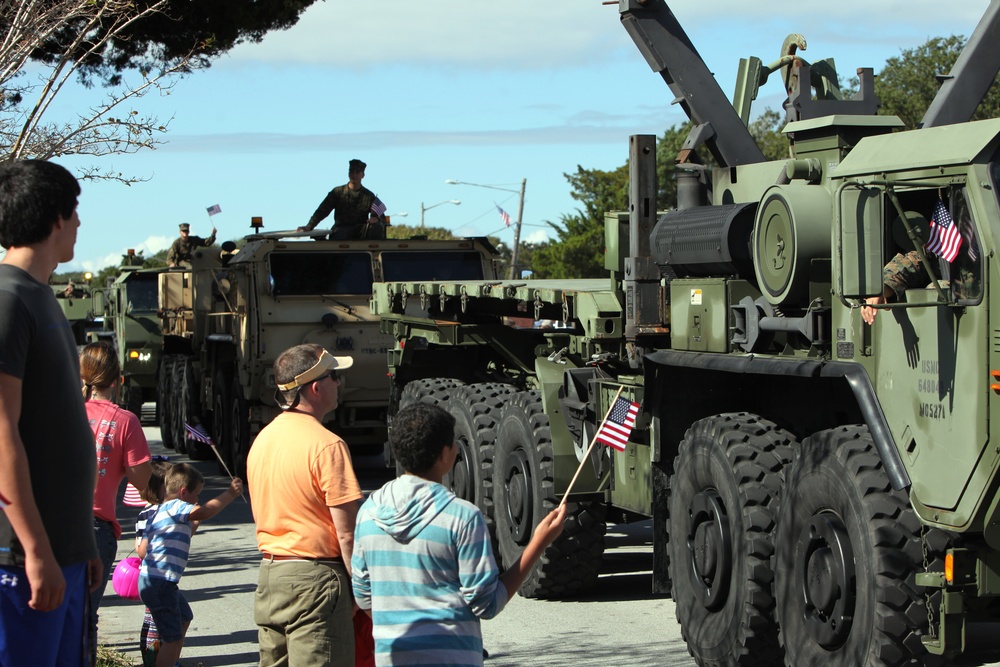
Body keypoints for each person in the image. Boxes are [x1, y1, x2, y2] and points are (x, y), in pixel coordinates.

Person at [351, 403, 567, 667]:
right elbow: (486, 604)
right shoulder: (463, 517)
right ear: (445, 454)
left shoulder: (368, 513)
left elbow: (363, 597)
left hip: (391, 657)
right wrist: (538, 542)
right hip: (452, 657)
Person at [0, 159, 102, 667]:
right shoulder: (7, 299)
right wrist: (36, 550)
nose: (80, 223)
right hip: (21, 562)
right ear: (57, 217)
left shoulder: (42, 297)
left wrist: (79, 545)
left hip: (62, 557)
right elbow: (1, 436)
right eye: (76, 210)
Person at [247, 343, 362, 667]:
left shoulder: (263, 441)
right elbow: (348, 534)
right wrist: (361, 590)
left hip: (271, 575)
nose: (338, 383)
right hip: (316, 581)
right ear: (315, 387)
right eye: (333, 376)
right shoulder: (327, 445)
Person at [81, 340, 153, 656]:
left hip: (51, 525)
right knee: (85, 619)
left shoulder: (60, 411)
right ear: (116, 380)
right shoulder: (125, 421)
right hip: (95, 530)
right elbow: (141, 481)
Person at [138, 462, 243, 667]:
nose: (197, 500)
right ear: (183, 492)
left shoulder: (160, 511)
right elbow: (204, 511)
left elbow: (144, 549)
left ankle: (169, 660)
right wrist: (230, 494)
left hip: (153, 580)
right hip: (160, 583)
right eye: (196, 495)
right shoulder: (177, 506)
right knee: (172, 638)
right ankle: (166, 662)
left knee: (184, 616)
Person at [134, 458, 171, 667]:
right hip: (157, 574)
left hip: (149, 574)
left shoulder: (142, 513)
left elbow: (136, 542)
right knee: (157, 621)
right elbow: (142, 549)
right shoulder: (157, 513)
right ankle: (154, 661)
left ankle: (152, 659)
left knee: (151, 619)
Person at [299, 159, 385, 240]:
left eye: (357, 172)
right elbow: (322, 211)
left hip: (360, 232)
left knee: (376, 228)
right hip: (341, 230)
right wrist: (309, 226)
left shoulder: (368, 196)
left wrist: (375, 218)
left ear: (363, 175)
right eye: (351, 172)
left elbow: (380, 215)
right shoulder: (338, 192)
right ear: (348, 173)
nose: (354, 175)